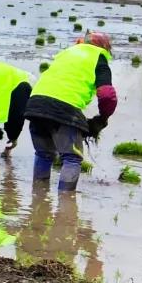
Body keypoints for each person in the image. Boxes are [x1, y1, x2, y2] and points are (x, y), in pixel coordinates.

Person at [25, 32, 117, 192]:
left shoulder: (66, 54)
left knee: (43, 154)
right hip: (64, 109)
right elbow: (107, 95)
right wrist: (103, 118)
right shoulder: (98, 58)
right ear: (104, 48)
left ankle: (38, 200)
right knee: (72, 158)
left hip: (35, 105)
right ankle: (66, 205)